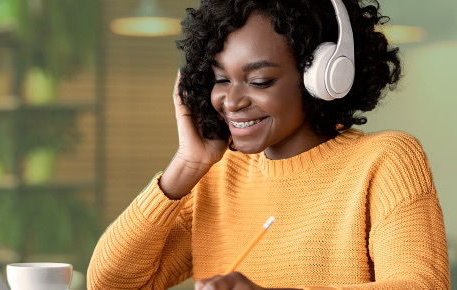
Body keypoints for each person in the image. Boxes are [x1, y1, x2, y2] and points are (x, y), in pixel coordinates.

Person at [87, 0, 450, 289]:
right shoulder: (217, 175)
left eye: (259, 81)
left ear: (323, 77)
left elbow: (421, 284)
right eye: (220, 79)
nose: (231, 101)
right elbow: (110, 283)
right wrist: (186, 166)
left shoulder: (386, 160)